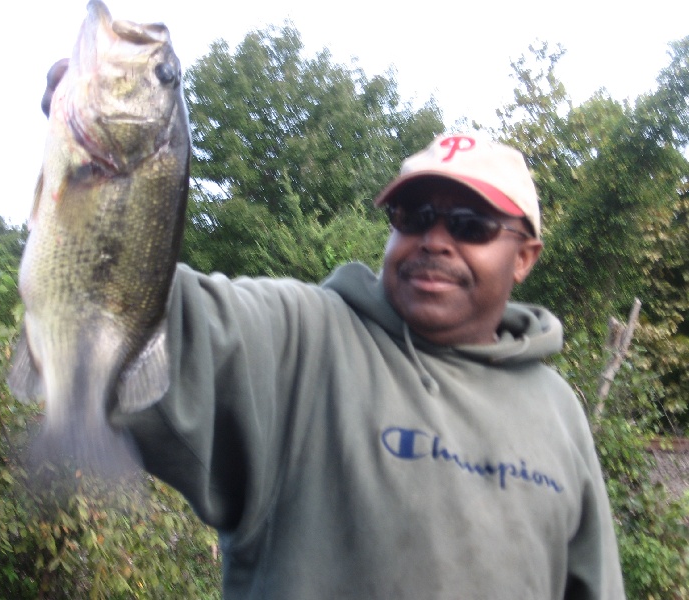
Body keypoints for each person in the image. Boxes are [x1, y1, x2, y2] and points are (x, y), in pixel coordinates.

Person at [42, 69, 625, 597]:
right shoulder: (303, 340)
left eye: (470, 224)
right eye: (414, 217)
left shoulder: (558, 411)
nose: (435, 240)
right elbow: (133, 304)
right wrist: (111, 158)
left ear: (524, 257)